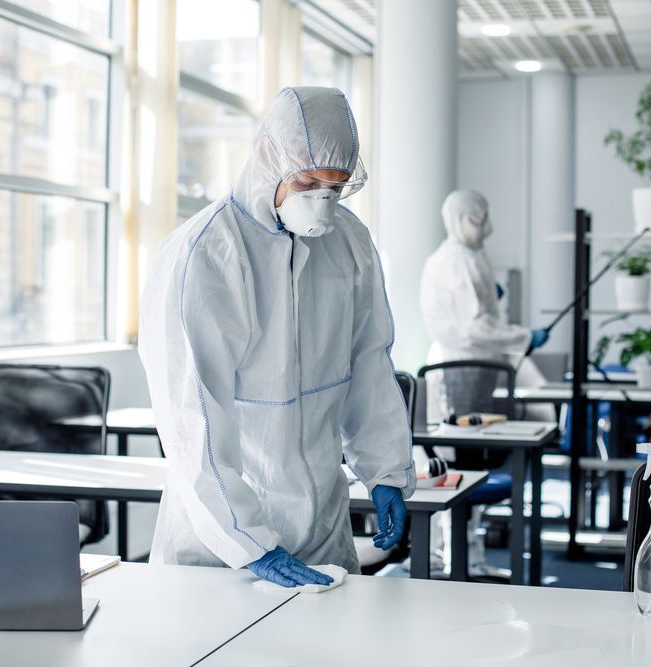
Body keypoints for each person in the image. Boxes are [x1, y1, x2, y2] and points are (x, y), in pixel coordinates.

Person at [138, 87, 414, 588]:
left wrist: (386, 470)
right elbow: (191, 418)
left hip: (323, 523)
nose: (322, 203)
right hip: (225, 542)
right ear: (270, 161)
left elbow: (369, 365)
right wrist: (248, 543)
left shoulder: (349, 243)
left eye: (336, 187)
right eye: (308, 182)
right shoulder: (206, 252)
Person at [420, 189, 550, 422]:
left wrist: (488, 295)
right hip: (463, 364)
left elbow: (467, 306)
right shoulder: (457, 260)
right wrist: (524, 337)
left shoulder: (469, 254)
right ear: (457, 220)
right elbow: (475, 327)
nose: (484, 226)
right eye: (475, 220)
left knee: (480, 431)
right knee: (468, 434)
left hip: (476, 363)